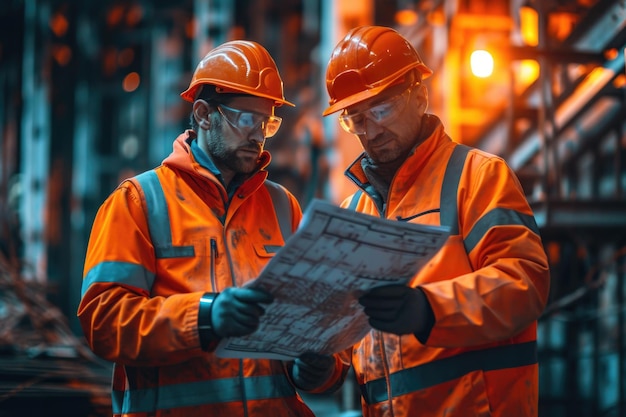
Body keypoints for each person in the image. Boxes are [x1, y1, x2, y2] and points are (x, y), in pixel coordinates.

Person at [78, 40, 347, 417]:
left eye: (267, 122)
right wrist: (205, 316)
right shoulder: (139, 202)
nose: (258, 135)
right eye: (247, 119)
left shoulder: (283, 207)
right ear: (204, 114)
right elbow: (104, 322)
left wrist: (320, 368)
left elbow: (313, 326)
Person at [322, 26, 551, 417]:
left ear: (419, 95)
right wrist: (320, 366)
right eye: (356, 119)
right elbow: (347, 340)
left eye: (381, 109)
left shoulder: (477, 176)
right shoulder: (352, 211)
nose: (371, 131)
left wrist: (430, 309)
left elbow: (523, 282)